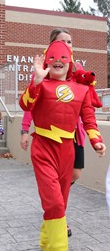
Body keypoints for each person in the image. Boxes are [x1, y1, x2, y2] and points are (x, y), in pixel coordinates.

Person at [19, 40, 106, 251]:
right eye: (53, 58)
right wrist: (36, 81)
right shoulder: (40, 85)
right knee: (55, 201)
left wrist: (96, 140)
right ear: (47, 61)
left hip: (68, 148)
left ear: (71, 63)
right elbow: (24, 104)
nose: (58, 61)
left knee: (61, 201)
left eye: (63, 58)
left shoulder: (81, 89)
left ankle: (46, 239)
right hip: (43, 147)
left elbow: (88, 117)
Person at [20, 28, 86, 237]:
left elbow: (86, 102)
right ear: (52, 47)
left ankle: (54, 208)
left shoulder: (78, 70)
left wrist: (93, 134)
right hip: (48, 136)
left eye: (70, 42)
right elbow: (32, 105)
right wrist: (24, 130)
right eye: (63, 42)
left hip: (74, 134)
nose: (67, 45)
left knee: (74, 175)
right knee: (55, 191)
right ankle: (56, 214)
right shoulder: (44, 71)